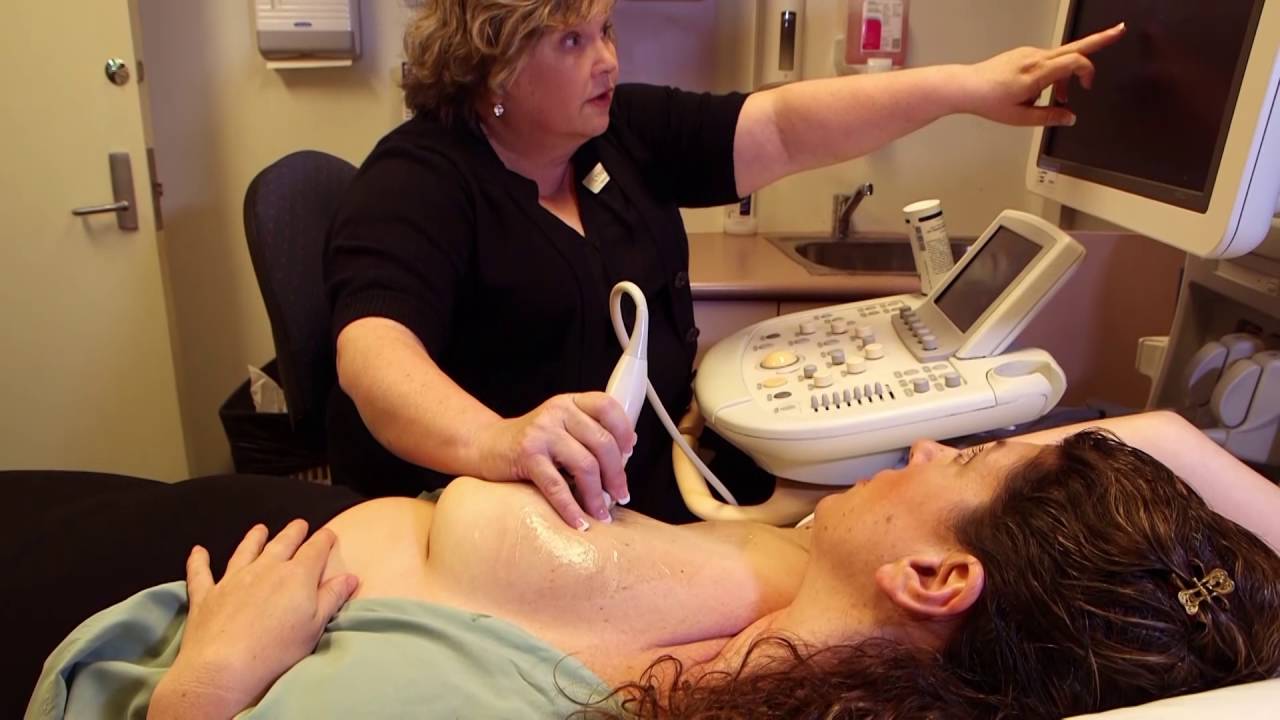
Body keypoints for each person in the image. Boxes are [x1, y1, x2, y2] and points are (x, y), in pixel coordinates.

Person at [324, 0, 1128, 526]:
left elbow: (781, 128)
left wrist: (965, 89)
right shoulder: (417, 182)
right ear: (491, 64)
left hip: (670, 471)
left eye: (606, 30)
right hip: (521, 511)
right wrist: (502, 441)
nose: (607, 60)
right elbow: (373, 355)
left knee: (956, 484)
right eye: (572, 40)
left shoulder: (614, 134)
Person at [31, 411, 1280, 718]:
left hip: (152, 638)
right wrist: (1167, 451)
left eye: (961, 459)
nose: (920, 444)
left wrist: (207, 684)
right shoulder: (795, 623)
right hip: (222, 548)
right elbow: (1164, 450)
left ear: (937, 580)